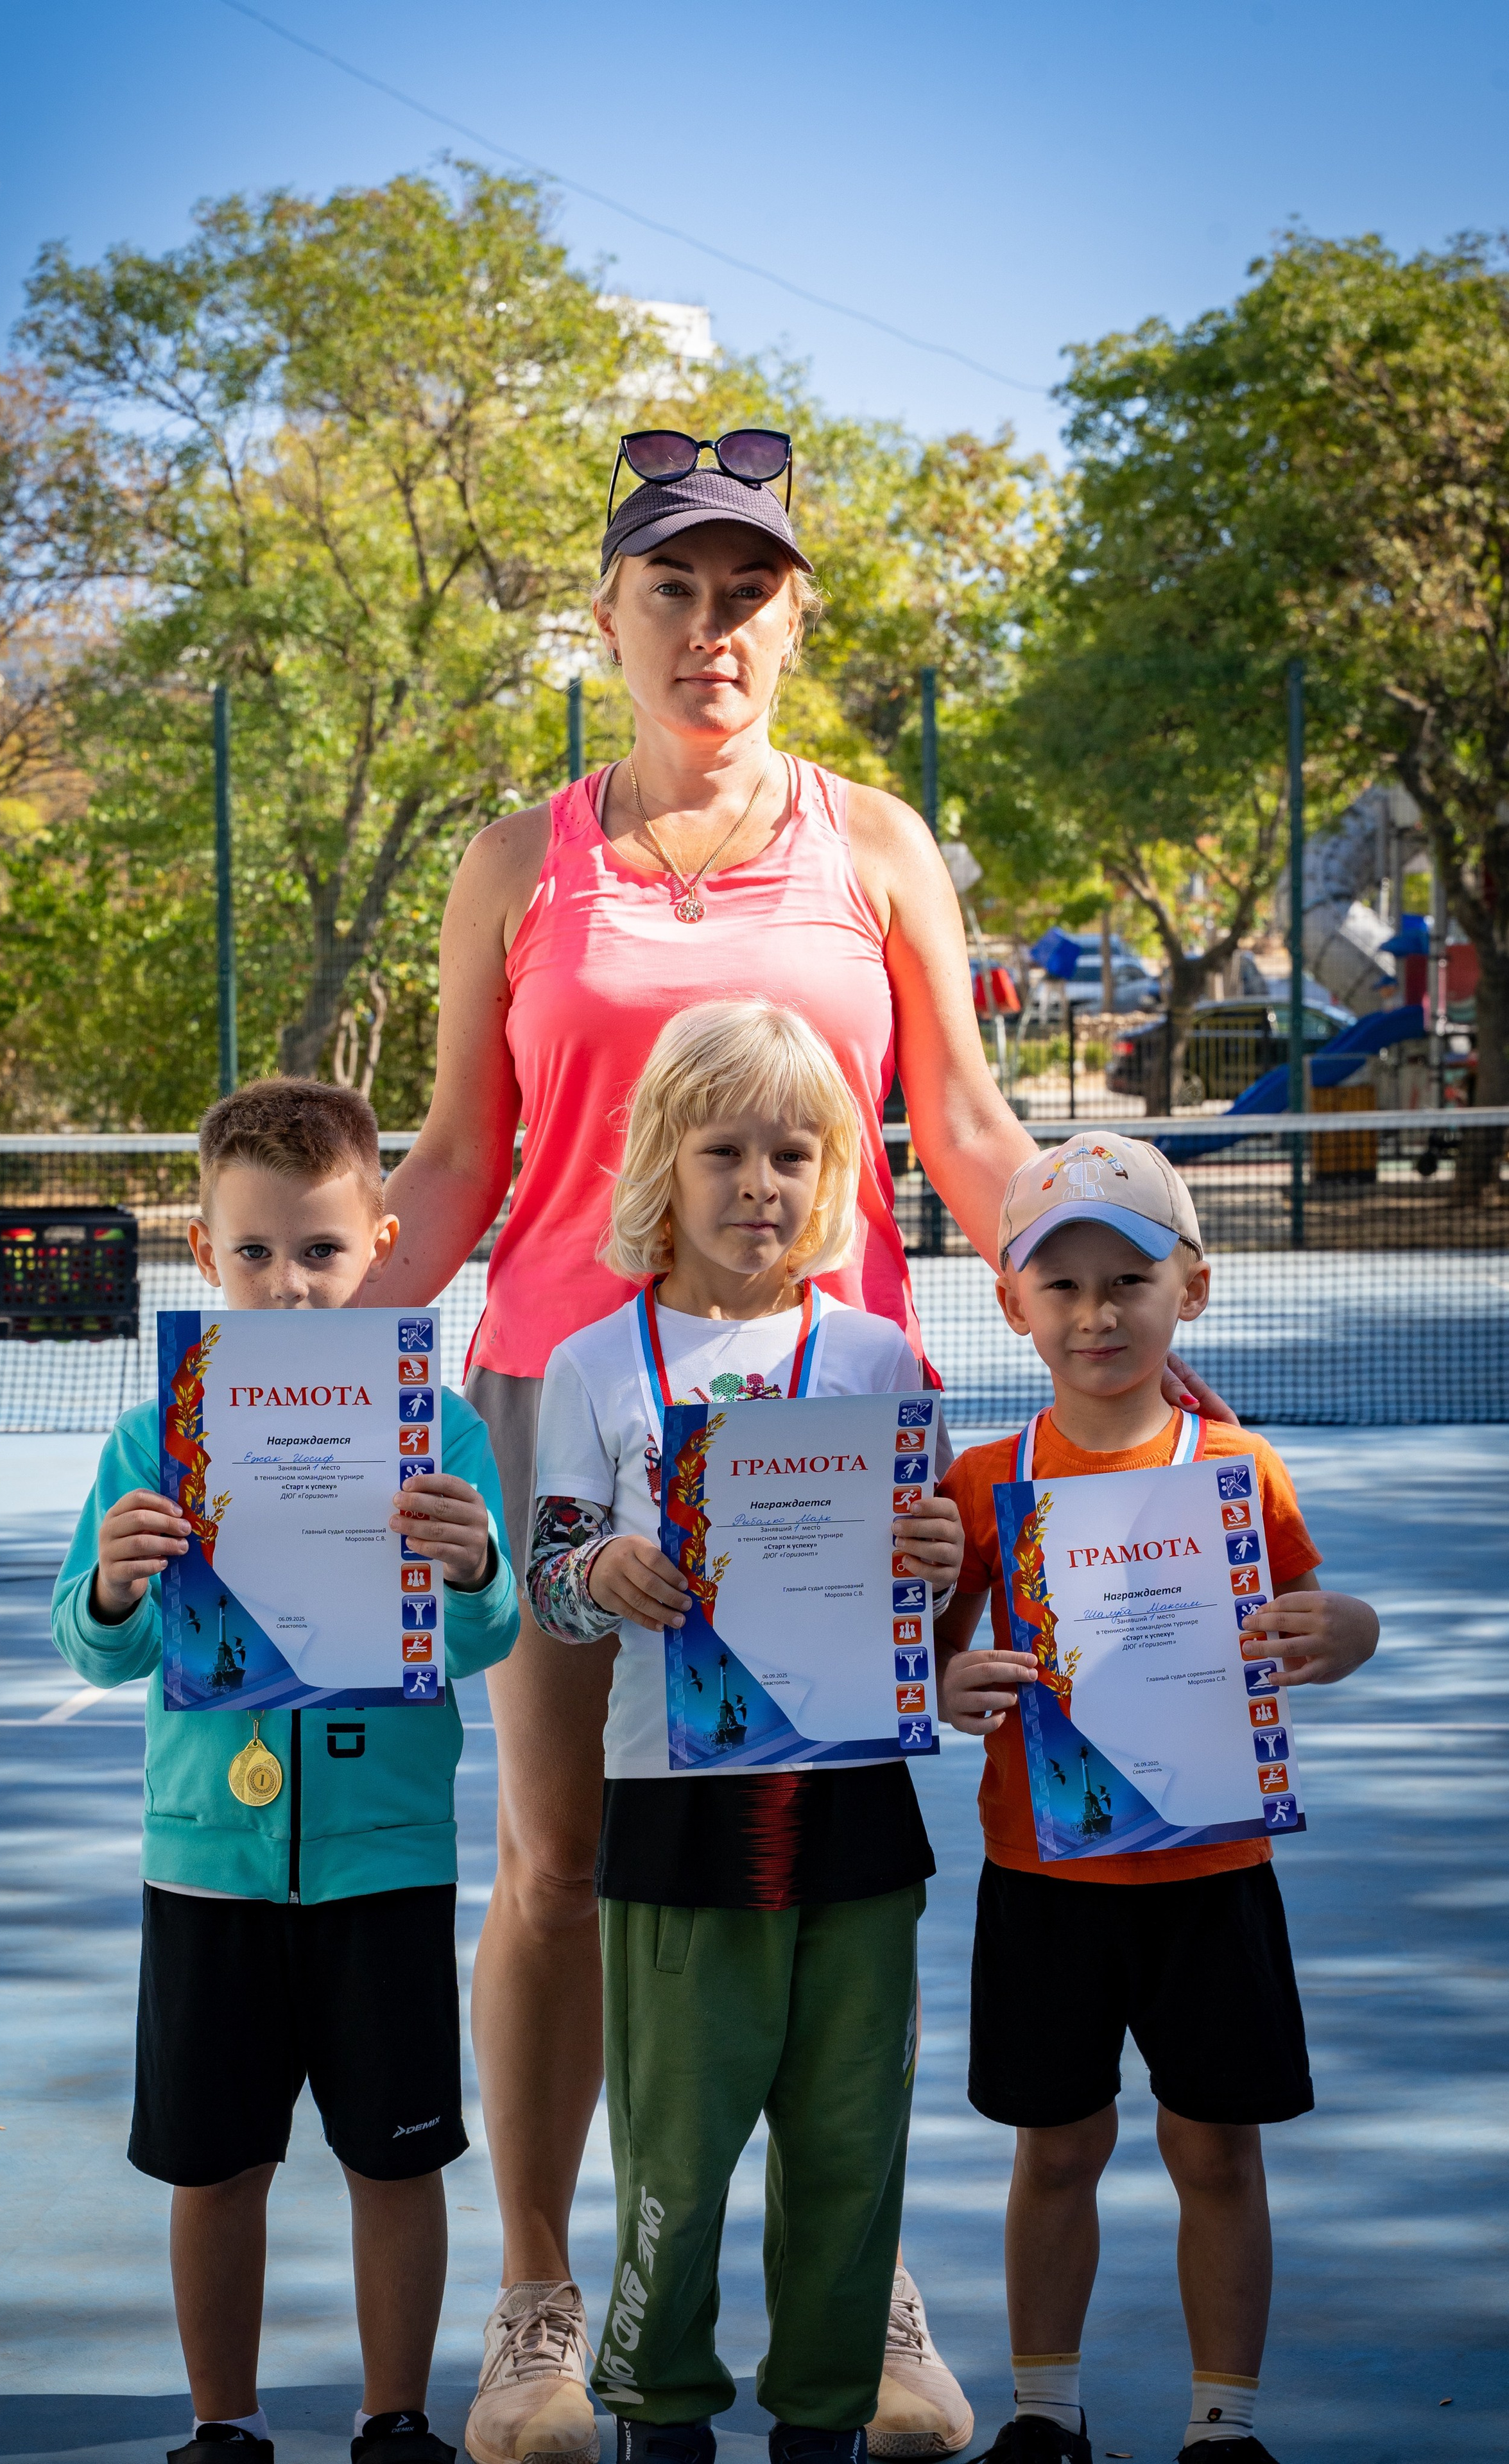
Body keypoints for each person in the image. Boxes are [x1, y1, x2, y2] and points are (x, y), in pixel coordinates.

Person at [379, 438, 1229, 2464]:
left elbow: (966, 1126)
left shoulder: (876, 844)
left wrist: (1121, 1286)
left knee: (835, 1854)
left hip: (827, 1435)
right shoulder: (520, 859)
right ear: (609, 621)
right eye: (671, 591)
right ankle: (537, 2303)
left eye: (747, 590)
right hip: (559, 1398)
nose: (711, 627)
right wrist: (281, 1357)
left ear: (795, 618)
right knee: (564, 1867)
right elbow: (457, 1162)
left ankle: (870, 2290)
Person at [49, 1081, 521, 2464]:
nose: (291, 1282)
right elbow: (90, 1647)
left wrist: (476, 1560)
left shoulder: (442, 1432)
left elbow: (485, 1634)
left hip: (383, 1858)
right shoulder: (152, 1442)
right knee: (216, 2165)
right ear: (204, 1256)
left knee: (397, 2157)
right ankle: (224, 2424)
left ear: (380, 1242)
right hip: (208, 1864)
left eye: (318, 1251)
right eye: (254, 1253)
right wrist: (122, 1591)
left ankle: (394, 2420)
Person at [526, 1000, 967, 2464]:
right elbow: (548, 1577)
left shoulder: (878, 1359)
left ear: (834, 1168)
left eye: (791, 1151)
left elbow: (941, 1568)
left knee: (849, 2150)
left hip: (852, 1813)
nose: (757, 1184)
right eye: (722, 1149)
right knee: (679, 2154)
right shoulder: (594, 1365)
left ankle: (825, 2414)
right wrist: (597, 1575)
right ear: (662, 1156)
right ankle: (657, 2408)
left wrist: (933, 1552)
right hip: (676, 1817)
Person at [934, 1133, 1379, 2464]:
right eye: (1057, 1286)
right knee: (1053, 2150)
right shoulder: (977, 1487)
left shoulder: (1236, 1470)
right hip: (1043, 1883)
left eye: (1123, 1281)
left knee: (1215, 2150)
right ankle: (1040, 2415)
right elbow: (934, 1658)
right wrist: (952, 1682)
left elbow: (1309, 1611)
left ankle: (1219, 2426)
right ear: (1013, 1305)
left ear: (1190, 1287)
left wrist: (1342, 1629)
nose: (1092, 1314)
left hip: (1211, 1883)